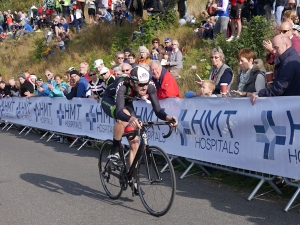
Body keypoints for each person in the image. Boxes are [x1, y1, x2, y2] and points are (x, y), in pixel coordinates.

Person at [101, 66, 178, 193]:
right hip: (110, 101)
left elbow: (158, 110)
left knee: (135, 144)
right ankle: (114, 150)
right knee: (124, 119)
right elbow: (120, 111)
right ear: (132, 82)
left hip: (127, 103)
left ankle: (133, 180)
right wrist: (131, 119)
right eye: (141, 84)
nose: (144, 87)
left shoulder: (150, 85)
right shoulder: (123, 84)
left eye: (146, 84)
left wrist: (168, 117)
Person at [250, 34, 300, 105]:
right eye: (273, 48)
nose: (274, 51)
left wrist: (260, 94)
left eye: (276, 48)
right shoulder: (292, 57)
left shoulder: (289, 63)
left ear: (286, 45)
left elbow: (279, 89)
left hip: (289, 105)